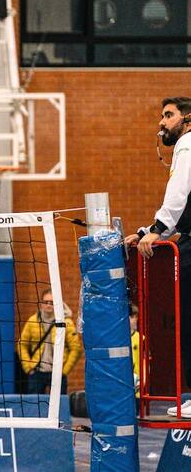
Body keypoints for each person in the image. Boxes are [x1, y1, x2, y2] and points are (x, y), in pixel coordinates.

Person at [123, 97, 191, 417]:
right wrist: (147, 232)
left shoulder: (187, 143)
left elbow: (178, 192)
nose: (161, 122)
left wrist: (158, 228)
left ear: (187, 119)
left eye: (168, 115)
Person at [17, 288, 82, 394]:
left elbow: (76, 348)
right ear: (41, 304)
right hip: (36, 372)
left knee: (59, 403)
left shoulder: (66, 322)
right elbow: (22, 344)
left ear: (58, 304)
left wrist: (64, 371)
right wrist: (28, 367)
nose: (48, 305)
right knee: (35, 403)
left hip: (58, 373)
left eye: (52, 302)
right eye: (46, 302)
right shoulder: (32, 321)